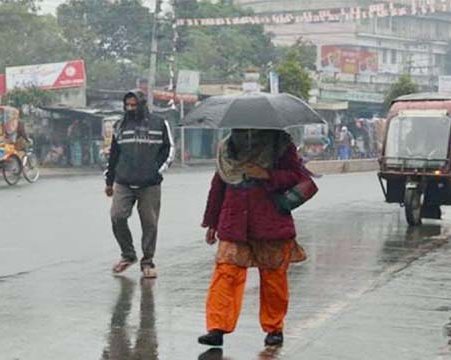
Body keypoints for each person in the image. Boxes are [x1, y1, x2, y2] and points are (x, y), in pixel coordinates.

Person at [197, 129, 317, 347]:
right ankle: (217, 328)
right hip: (234, 220)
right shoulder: (227, 147)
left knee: (273, 277)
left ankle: (274, 328)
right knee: (226, 273)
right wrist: (212, 222)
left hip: (269, 219)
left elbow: (298, 177)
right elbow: (219, 185)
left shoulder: (280, 145)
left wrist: (267, 174)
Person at [104, 89, 175, 279]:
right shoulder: (120, 125)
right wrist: (109, 181)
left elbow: (169, 151)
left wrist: (156, 172)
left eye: (134, 105)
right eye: (127, 105)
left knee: (149, 224)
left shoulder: (159, 123)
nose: (130, 108)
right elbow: (114, 155)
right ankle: (128, 255)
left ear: (142, 104)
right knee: (117, 216)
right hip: (124, 182)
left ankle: (148, 262)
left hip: (149, 184)